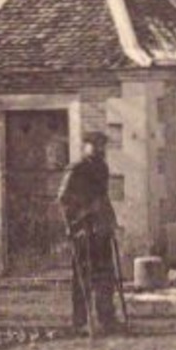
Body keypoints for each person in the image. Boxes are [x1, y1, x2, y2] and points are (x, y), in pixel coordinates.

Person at [58, 131, 120, 334]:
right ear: (85, 146)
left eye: (102, 146)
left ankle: (106, 316)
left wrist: (111, 220)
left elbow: (104, 196)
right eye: (94, 145)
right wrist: (74, 223)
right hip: (83, 229)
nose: (99, 149)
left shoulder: (102, 168)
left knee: (106, 273)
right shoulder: (77, 169)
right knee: (82, 275)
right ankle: (80, 320)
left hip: (101, 228)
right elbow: (64, 199)